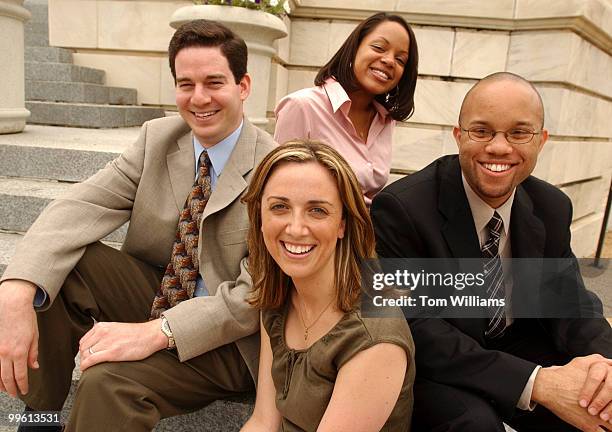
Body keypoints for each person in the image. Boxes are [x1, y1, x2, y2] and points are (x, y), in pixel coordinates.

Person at [0, 20, 276, 431]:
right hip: (157, 293)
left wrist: (158, 333)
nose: (199, 98)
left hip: (228, 339)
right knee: (63, 263)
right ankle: (40, 416)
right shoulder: (159, 138)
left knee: (106, 382)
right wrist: (16, 290)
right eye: (186, 84)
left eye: (214, 82)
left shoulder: (276, 166)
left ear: (244, 86)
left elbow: (254, 293)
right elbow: (78, 206)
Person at [371, 72, 612, 431]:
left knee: (597, 405)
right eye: (481, 131)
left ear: (541, 141)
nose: (499, 147)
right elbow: (414, 324)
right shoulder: (402, 208)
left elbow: (569, 300)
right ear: (459, 136)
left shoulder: (552, 206)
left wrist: (603, 367)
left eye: (518, 133)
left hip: (517, 340)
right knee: (477, 426)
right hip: (439, 360)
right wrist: (537, 383)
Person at [239, 140, 415, 431]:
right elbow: (263, 422)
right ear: (260, 216)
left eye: (317, 211)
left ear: (343, 224)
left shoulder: (375, 338)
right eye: (280, 207)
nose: (295, 228)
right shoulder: (278, 296)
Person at [274, 12, 418, 207]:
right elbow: (279, 190)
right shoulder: (302, 107)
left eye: (401, 60)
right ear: (354, 48)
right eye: (378, 47)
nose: (389, 61)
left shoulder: (386, 121)